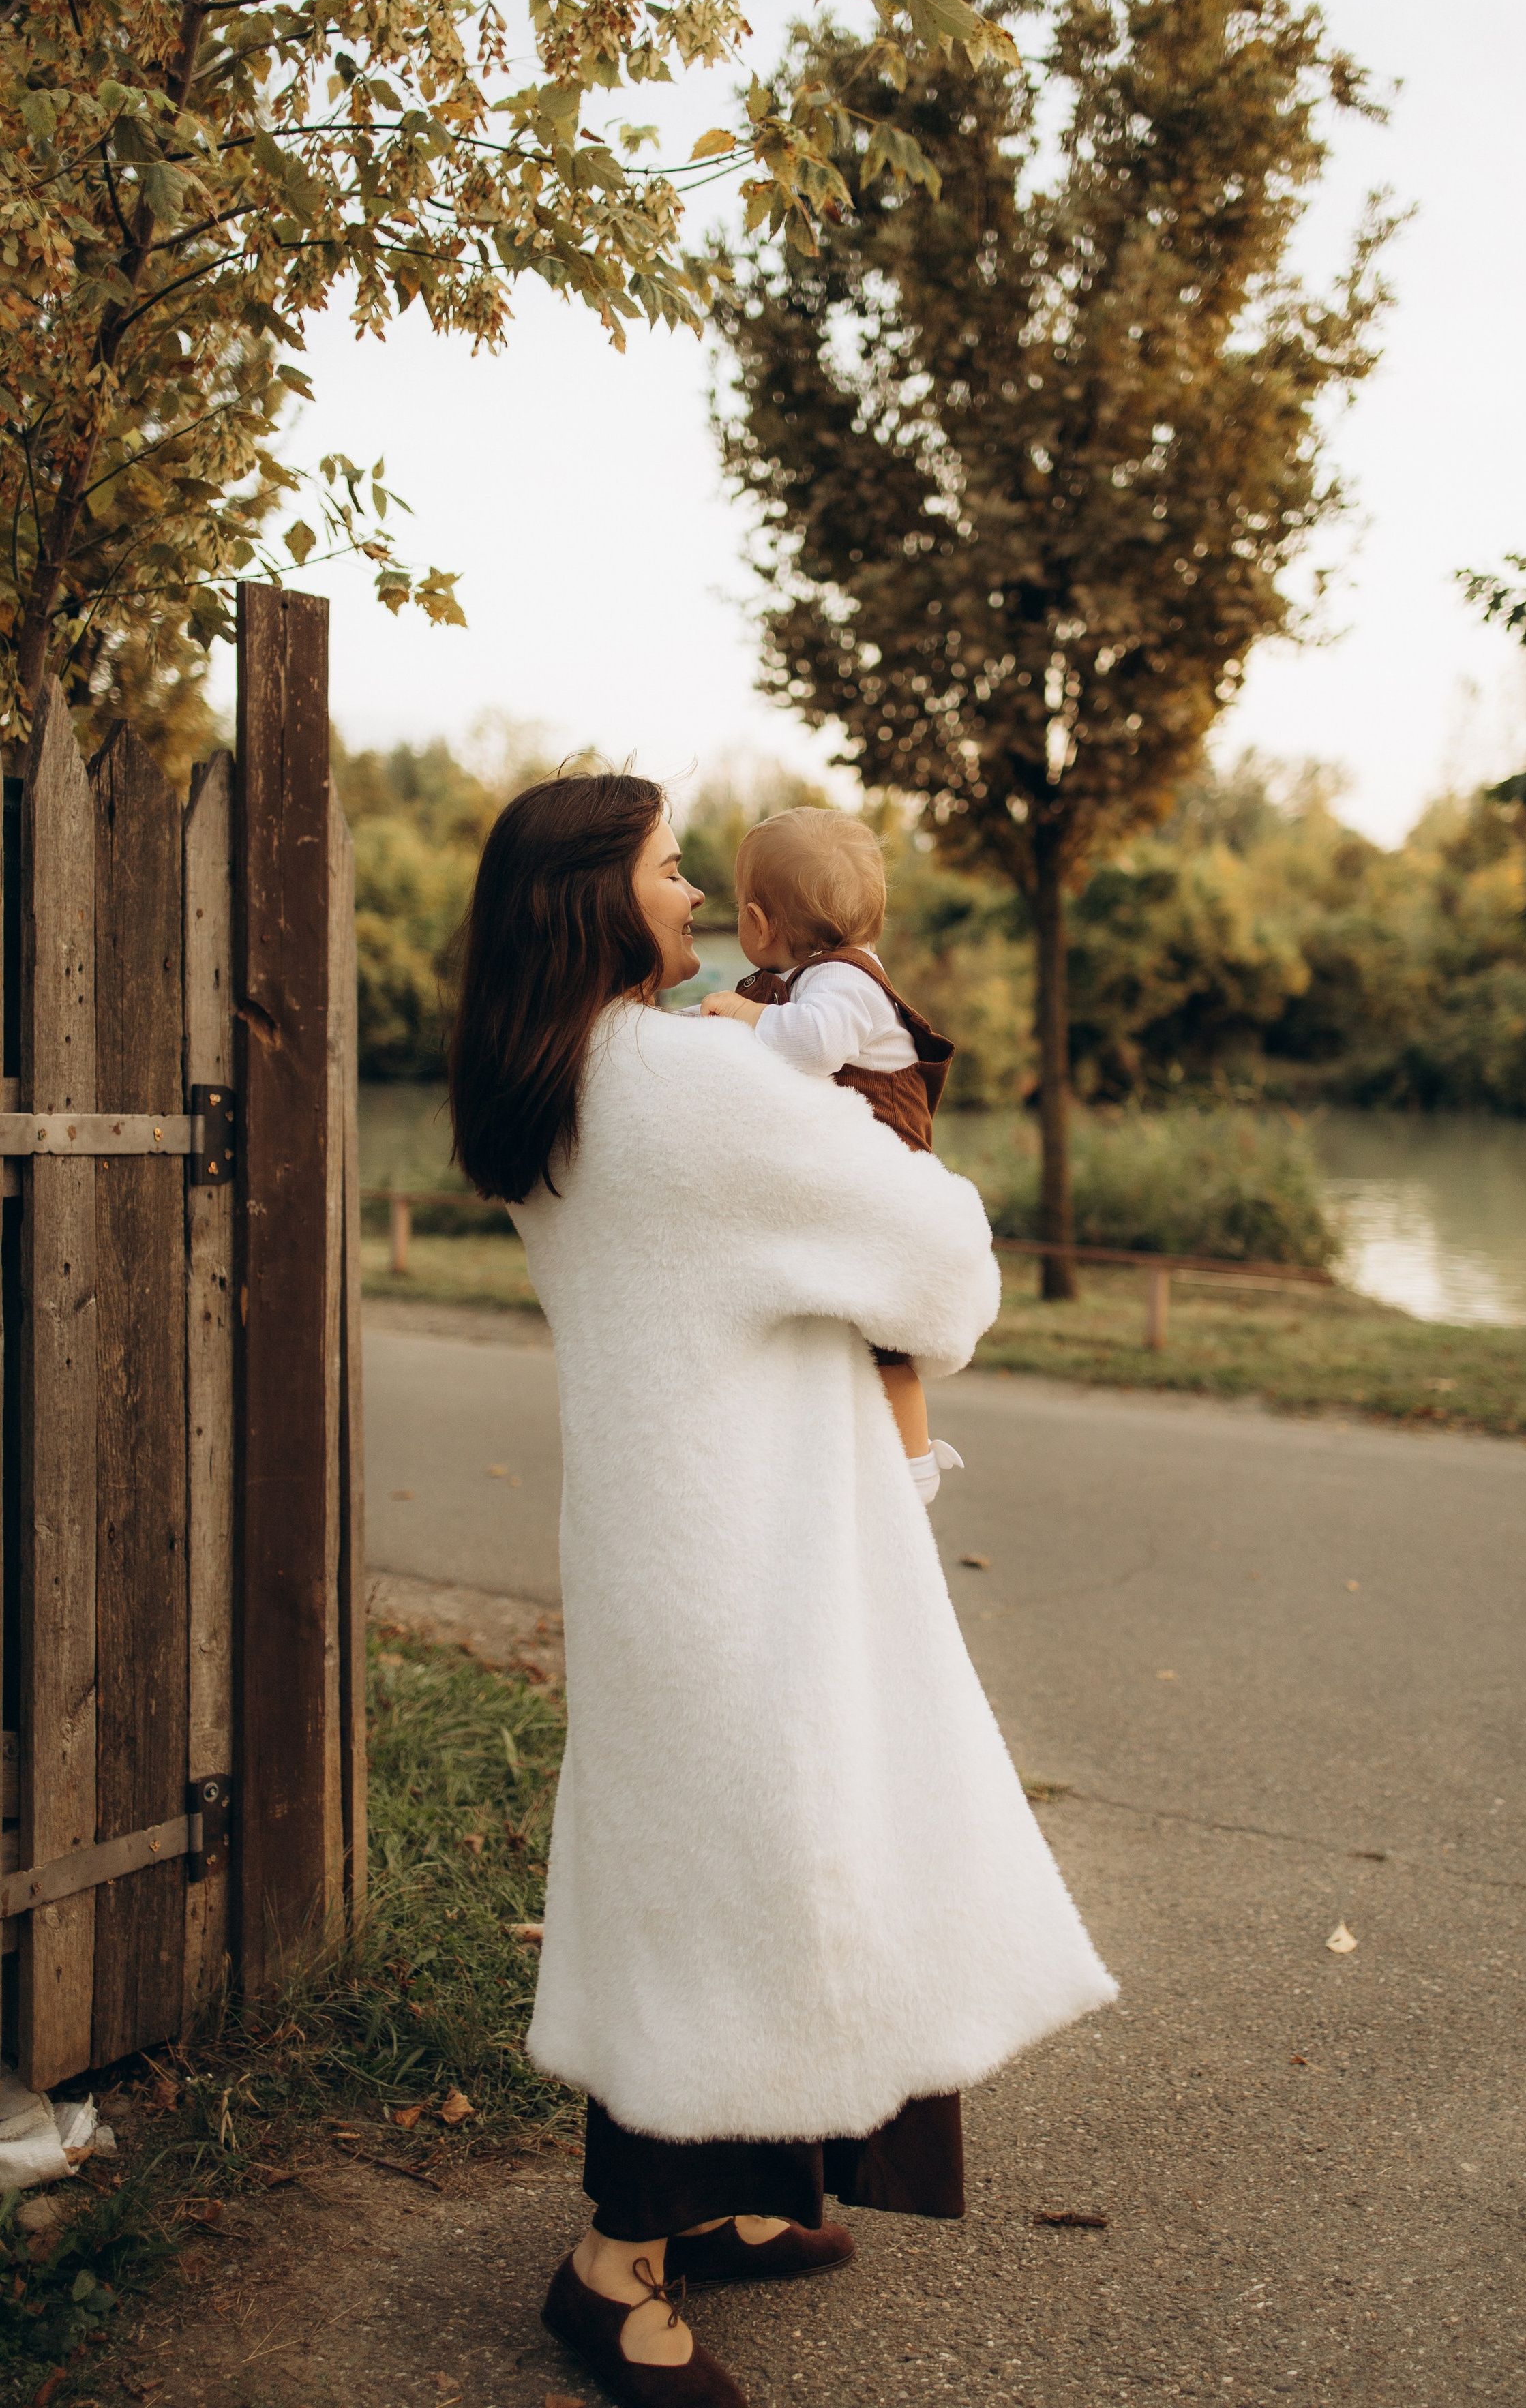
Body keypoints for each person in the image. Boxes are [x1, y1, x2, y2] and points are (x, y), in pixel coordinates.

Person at [448, 771, 1117, 2408]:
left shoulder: (553, 1084)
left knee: (718, 1865)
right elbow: (943, 1268)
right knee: (776, 1853)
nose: (691, 902)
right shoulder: (690, 1085)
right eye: (671, 873)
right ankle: (611, 2272)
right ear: (599, 901)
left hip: (660, 1538)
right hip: (762, 1543)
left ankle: (745, 2189)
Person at [695, 804, 960, 1501]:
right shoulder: (813, 982)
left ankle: (913, 1470)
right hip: (855, 1188)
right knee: (850, 1339)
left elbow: (811, 1047)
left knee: (884, 1346)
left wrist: (751, 1016)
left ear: (756, 924)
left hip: (885, 1190)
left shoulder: (843, 982)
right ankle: (873, 1456)